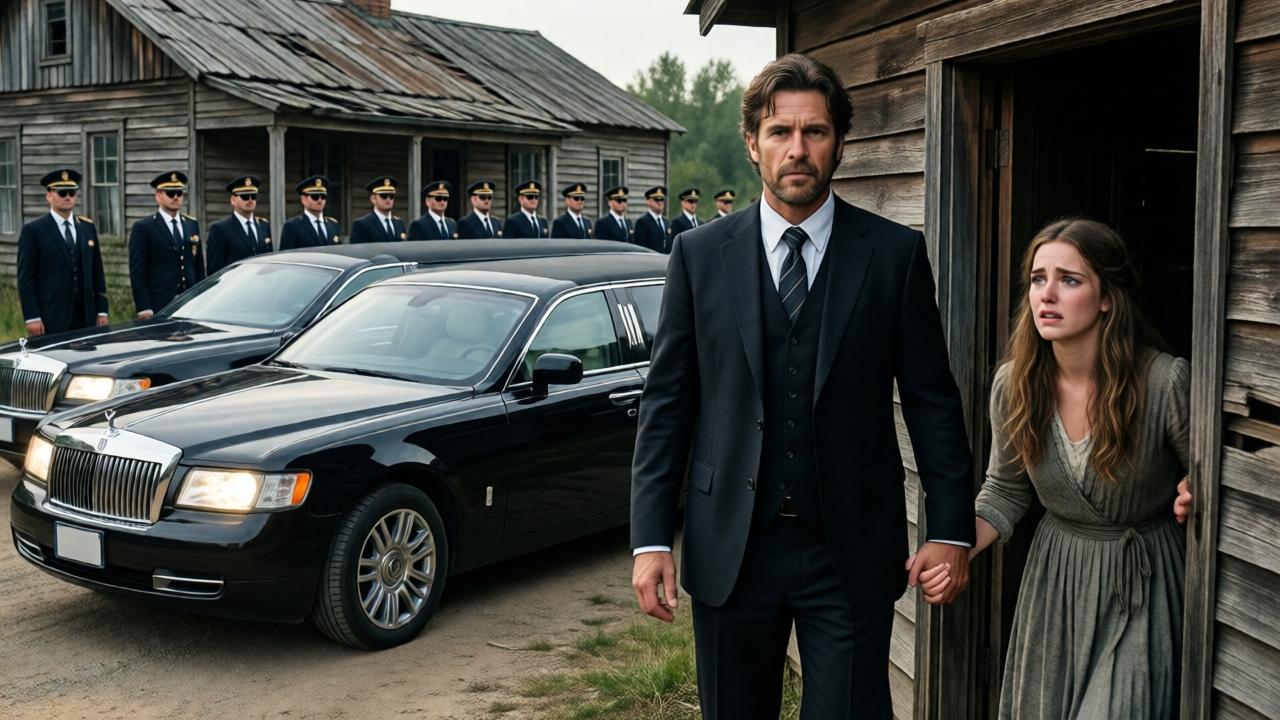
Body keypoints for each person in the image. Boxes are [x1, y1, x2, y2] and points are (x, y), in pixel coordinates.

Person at [630, 54, 975, 719]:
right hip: (731, 546)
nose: (797, 148)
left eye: (814, 132)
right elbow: (667, 404)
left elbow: (933, 401)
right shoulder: (699, 256)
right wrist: (650, 541)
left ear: (840, 142)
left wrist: (951, 528)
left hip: (848, 551)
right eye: (780, 131)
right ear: (752, 142)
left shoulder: (894, 255)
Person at [912, 218, 1193, 719]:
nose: (1047, 294)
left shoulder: (1164, 382)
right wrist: (952, 545)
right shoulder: (1015, 386)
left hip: (1141, 578)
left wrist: (1196, 489)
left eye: (1070, 279)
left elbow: (1213, 475)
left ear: (1107, 297)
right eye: (1038, 278)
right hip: (1058, 579)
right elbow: (1005, 490)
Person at [17, 169, 109, 336]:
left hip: (86, 315)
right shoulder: (34, 231)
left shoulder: (87, 227)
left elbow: (97, 271)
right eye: (62, 192)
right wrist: (32, 316)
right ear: (49, 195)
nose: (68, 197)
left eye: (72, 192)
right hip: (51, 315)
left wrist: (102, 310)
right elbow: (26, 278)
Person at [128, 171, 204, 319]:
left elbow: (198, 267)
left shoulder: (191, 224)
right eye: (170, 193)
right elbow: (138, 272)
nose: (176, 197)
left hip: (190, 302)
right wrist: (144, 307)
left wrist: (201, 299)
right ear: (158, 196)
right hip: (159, 303)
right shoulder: (144, 227)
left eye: (179, 193)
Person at [206, 175, 271, 273]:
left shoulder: (263, 226)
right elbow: (215, 271)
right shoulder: (220, 229)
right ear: (233, 200)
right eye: (245, 196)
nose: (250, 200)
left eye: (253, 196)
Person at [280, 175, 340, 250]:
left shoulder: (333, 225)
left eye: (323, 196)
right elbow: (286, 257)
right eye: (315, 196)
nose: (320, 200)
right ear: (303, 199)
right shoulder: (292, 226)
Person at [349, 177, 405, 243]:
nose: (388, 199)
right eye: (383, 196)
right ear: (373, 199)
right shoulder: (362, 224)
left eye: (391, 196)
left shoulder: (399, 223)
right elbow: (357, 251)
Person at [633, 186, 671, 253]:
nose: (660, 202)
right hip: (650, 261)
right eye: (656, 199)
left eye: (662, 199)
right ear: (648, 201)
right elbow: (640, 249)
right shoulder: (642, 222)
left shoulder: (667, 222)